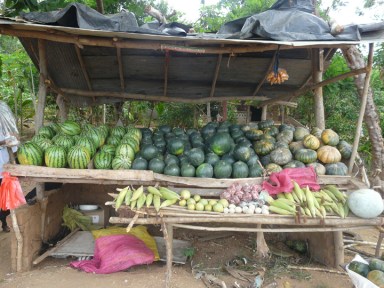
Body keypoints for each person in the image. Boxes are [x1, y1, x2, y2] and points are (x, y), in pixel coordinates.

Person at [0, 101, 19, 232]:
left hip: (4, 167)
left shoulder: (3, 125)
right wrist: (3, 142)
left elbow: (14, 146)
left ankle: (4, 223)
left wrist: (13, 141)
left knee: (5, 198)